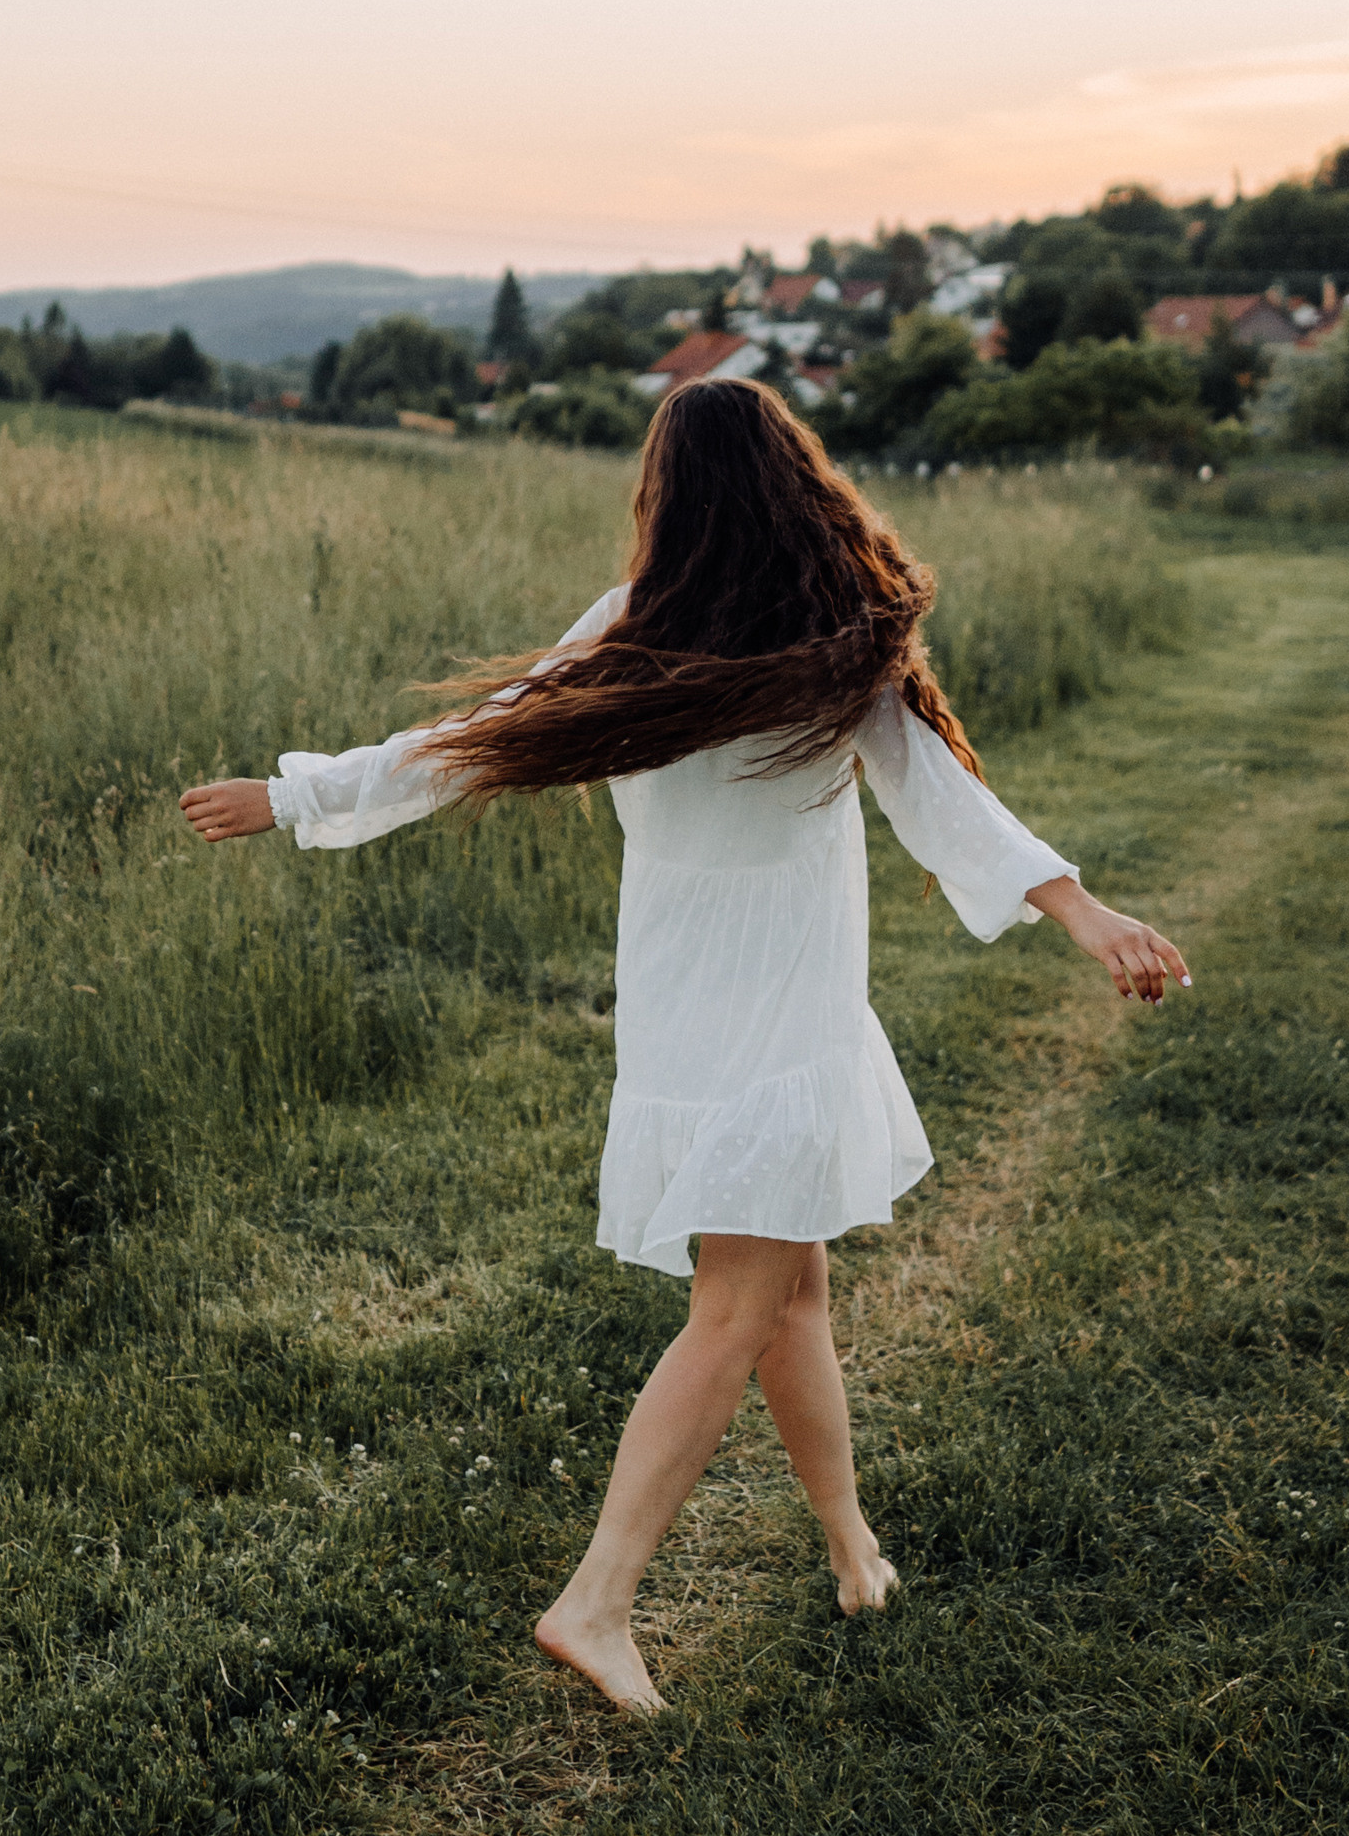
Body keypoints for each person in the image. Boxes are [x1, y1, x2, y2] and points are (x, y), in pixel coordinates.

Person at [180, 379, 1189, 1713]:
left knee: (790, 1291)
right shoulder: (826, 628)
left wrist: (294, 793)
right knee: (736, 1309)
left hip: (682, 1008)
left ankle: (850, 1547)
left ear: (663, 492)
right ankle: (594, 1605)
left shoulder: (638, 628)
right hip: (778, 1007)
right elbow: (938, 796)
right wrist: (1080, 908)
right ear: (794, 482)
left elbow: (472, 738)